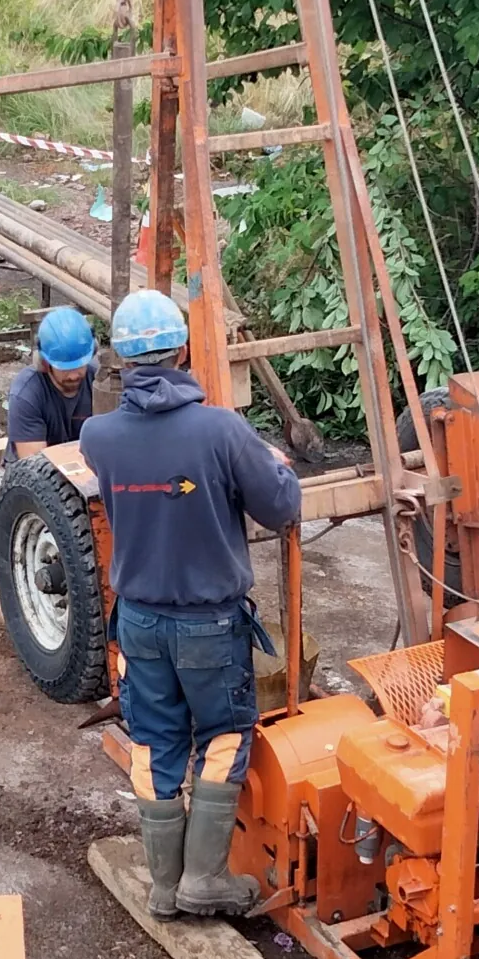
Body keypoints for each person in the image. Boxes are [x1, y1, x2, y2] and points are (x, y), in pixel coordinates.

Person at [80, 290, 301, 919]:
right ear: (182, 349)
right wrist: (274, 466)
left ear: (120, 360)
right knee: (226, 736)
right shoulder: (221, 429)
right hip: (209, 624)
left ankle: (163, 885)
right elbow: (279, 507)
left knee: (154, 741)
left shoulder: (100, 436)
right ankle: (205, 878)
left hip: (141, 622)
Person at [2, 307, 97, 465]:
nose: (73, 375)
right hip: (41, 479)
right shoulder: (26, 395)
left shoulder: (99, 381)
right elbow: (34, 469)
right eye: (65, 369)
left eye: (80, 366)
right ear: (44, 363)